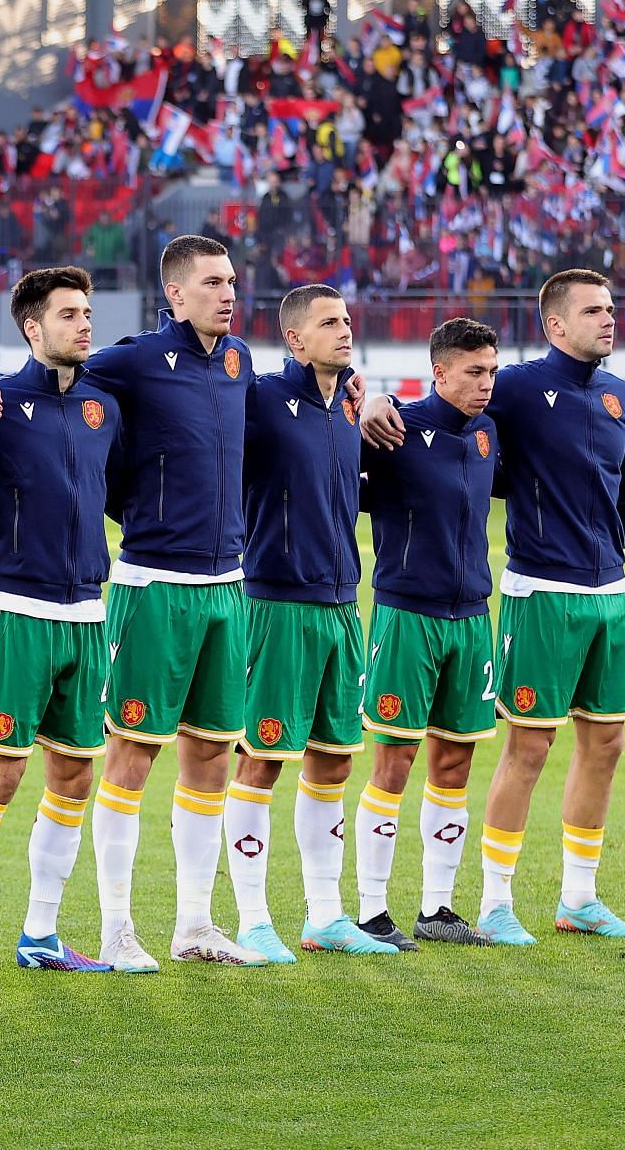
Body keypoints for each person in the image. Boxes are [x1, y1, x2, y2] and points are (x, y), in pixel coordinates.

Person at [0, 235, 271, 971]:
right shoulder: (131, 360)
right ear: (175, 294)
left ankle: (195, 925)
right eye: (211, 283)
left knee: (212, 757)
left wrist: (374, 394)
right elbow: (40, 379)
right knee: (130, 755)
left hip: (229, 587)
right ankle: (116, 928)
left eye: (232, 281)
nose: (228, 293)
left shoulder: (239, 361)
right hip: (151, 587)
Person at [363, 271, 625, 943]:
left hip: (607, 597)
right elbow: (436, 404)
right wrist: (376, 401)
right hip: (539, 594)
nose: (611, 319)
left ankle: (580, 898)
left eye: (612, 307)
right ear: (557, 324)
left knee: (608, 743)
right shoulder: (516, 389)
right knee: (527, 746)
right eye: (595, 310)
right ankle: (498, 902)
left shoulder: (621, 396)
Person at [0, 267, 121, 981]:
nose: (84, 324)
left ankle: (40, 933)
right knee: (1, 773)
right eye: (69, 314)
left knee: (76, 776)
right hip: (19, 609)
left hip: (89, 611)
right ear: (31, 327)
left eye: (87, 312)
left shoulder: (105, 403)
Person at [226, 286, 395, 962]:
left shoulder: (351, 402)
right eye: (328, 323)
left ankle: (326, 916)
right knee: (263, 758)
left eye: (347, 320)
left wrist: (379, 402)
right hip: (277, 604)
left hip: (341, 604)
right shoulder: (263, 399)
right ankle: (251, 918)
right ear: (294, 339)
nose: (344, 330)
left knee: (332, 761)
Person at [353, 318, 501, 949]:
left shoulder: (491, 432)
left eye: (492, 371)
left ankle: (437, 910)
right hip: (406, 615)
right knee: (396, 757)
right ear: (439, 371)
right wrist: (372, 406)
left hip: (472, 618)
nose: (487, 384)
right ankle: (371, 910)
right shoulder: (396, 432)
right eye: (474, 372)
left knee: (456, 758)